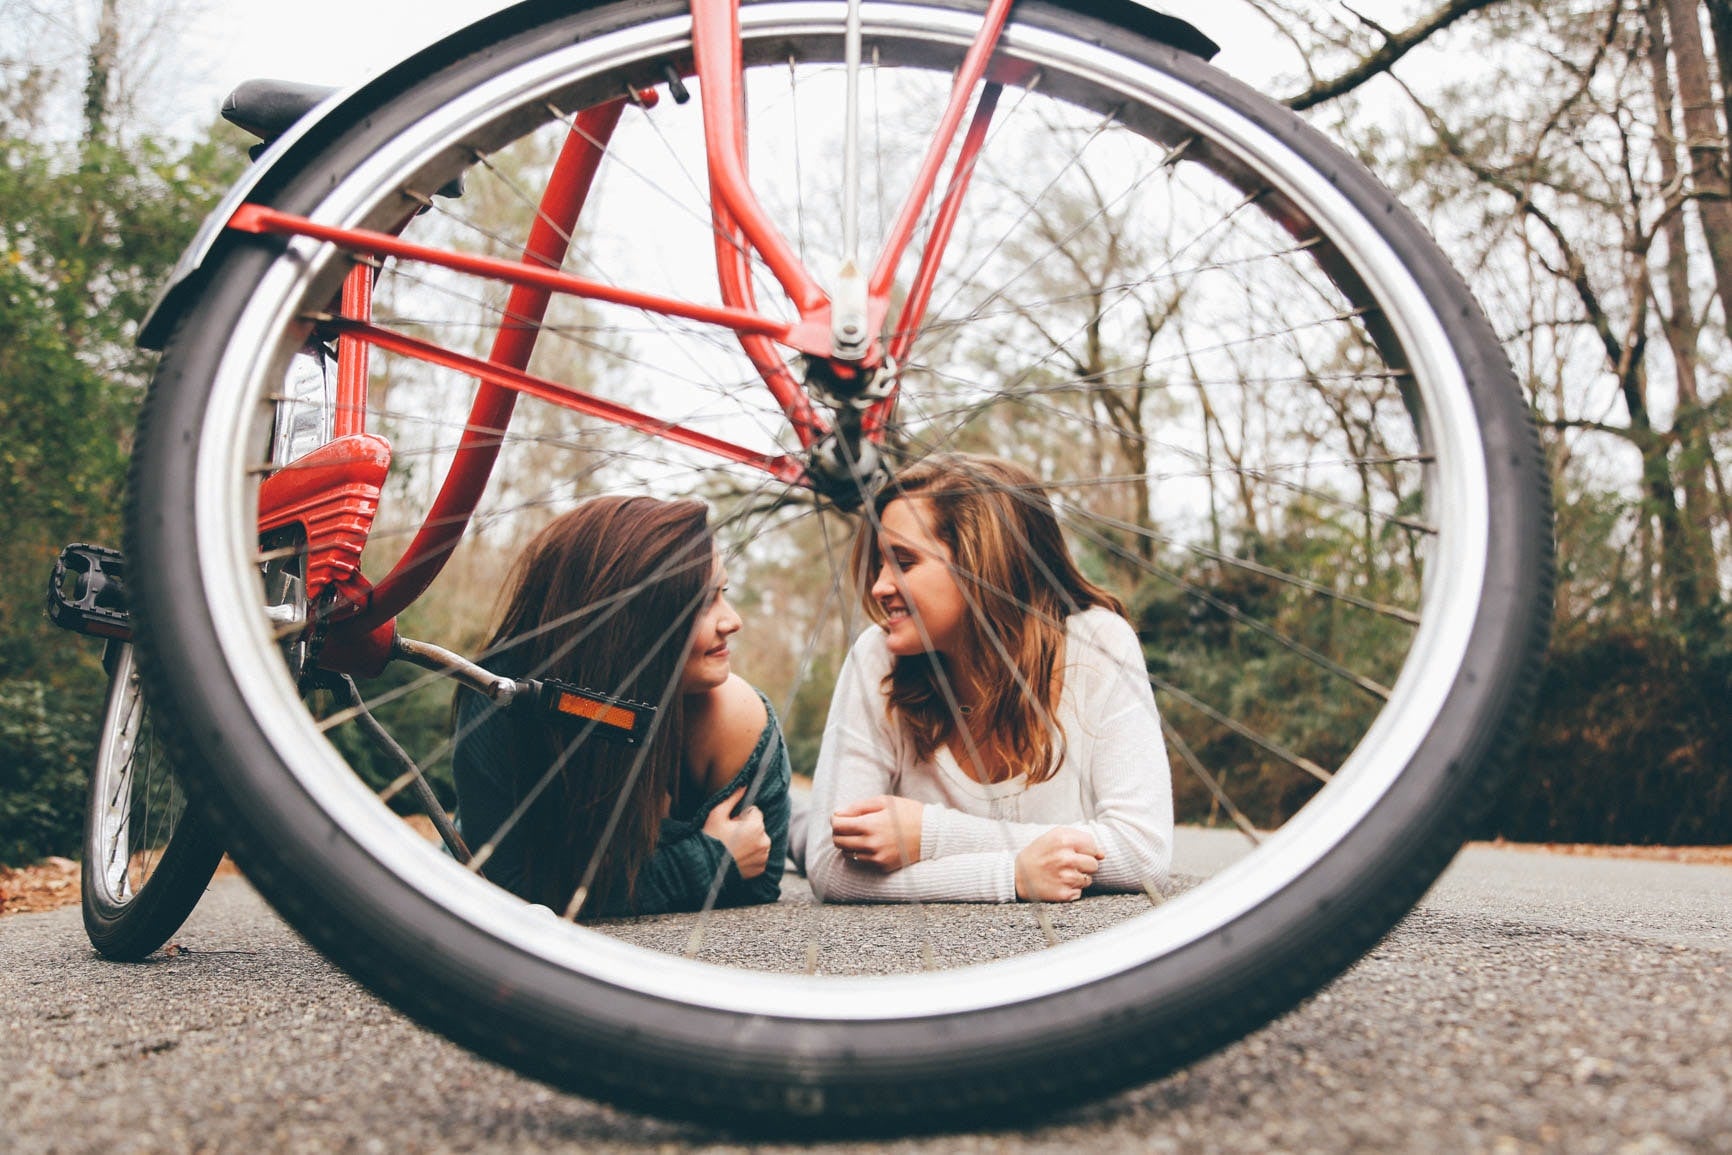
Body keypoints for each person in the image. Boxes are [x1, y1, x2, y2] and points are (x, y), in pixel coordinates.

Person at [805, 454, 1173, 903]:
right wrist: (1009, 875)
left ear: (981, 567)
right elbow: (829, 866)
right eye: (881, 564)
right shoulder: (876, 656)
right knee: (799, 830)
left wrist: (932, 835)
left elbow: (1141, 850)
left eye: (904, 561)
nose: (879, 587)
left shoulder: (1098, 643)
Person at [452, 496, 789, 919]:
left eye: (724, 593)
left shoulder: (732, 714)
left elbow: (760, 872)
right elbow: (503, 893)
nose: (733, 620)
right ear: (631, 620)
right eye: (703, 602)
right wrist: (704, 861)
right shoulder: (505, 696)